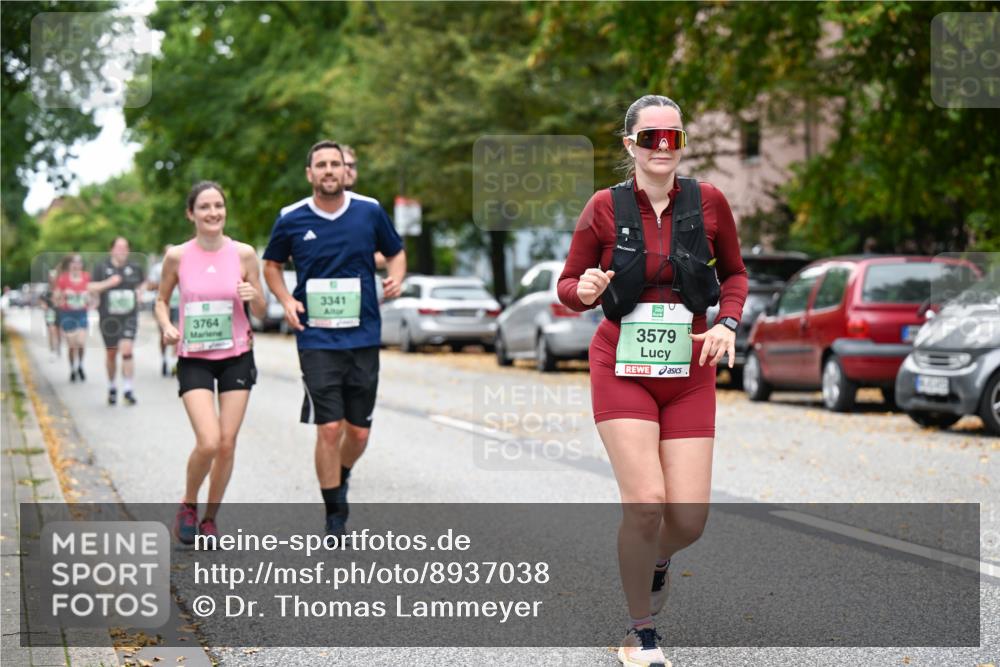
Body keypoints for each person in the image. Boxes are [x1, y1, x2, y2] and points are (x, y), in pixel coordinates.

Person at [557, 95, 747, 667]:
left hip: (689, 369)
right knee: (646, 503)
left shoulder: (709, 201)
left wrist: (727, 323)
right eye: (650, 137)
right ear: (630, 144)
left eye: (673, 137)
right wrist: (583, 292)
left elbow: (735, 274)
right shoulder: (603, 207)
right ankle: (640, 633)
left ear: (682, 143)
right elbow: (568, 286)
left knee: (687, 519)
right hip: (621, 366)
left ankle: (656, 559)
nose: (662, 147)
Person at [263, 140, 405, 536]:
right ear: (310, 173)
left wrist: (396, 278)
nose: (329, 170)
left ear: (346, 171)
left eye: (335, 164)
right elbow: (271, 264)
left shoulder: (369, 211)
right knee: (328, 427)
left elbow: (395, 251)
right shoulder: (291, 217)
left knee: (358, 432)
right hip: (316, 338)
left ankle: (340, 474)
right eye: (321, 165)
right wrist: (286, 299)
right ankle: (334, 514)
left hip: (363, 336)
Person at [155, 181, 266, 544]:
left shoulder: (244, 254)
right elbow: (161, 300)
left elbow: (261, 311)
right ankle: (188, 503)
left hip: (237, 355)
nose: (213, 212)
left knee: (227, 443)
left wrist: (253, 295)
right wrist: (167, 325)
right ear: (191, 214)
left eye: (218, 205)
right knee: (209, 441)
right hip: (195, 359)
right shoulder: (177, 256)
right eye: (204, 207)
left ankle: (209, 519)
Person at [90, 237, 145, 405]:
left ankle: (128, 389)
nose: (122, 250)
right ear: (111, 250)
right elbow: (90, 287)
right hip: (108, 317)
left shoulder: (135, 267)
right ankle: (112, 386)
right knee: (111, 353)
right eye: (119, 247)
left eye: (125, 247)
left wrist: (140, 292)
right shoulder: (101, 267)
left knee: (127, 350)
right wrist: (108, 283)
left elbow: (143, 284)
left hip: (129, 316)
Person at [53, 254, 92, 382]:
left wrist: (89, 297)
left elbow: (93, 294)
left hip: (81, 313)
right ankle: (72, 369)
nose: (76, 265)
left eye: (79, 262)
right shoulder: (63, 279)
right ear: (69, 265)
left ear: (82, 265)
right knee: (71, 345)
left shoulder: (86, 277)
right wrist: (62, 295)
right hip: (67, 314)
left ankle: (80, 365)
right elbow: (56, 297)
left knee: (81, 343)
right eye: (73, 262)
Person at [148, 244, 181, 376]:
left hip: (178, 304)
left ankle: (174, 362)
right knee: (164, 334)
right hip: (163, 304)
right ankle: (164, 359)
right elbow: (150, 286)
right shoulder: (157, 268)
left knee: (177, 332)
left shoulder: (182, 264)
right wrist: (167, 284)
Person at [41, 270, 62, 360]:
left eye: (54, 277)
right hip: (50, 312)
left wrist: (59, 302)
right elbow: (41, 300)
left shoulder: (60, 288)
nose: (52, 279)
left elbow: (64, 299)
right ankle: (52, 351)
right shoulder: (46, 289)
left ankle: (58, 347)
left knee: (58, 332)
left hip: (59, 311)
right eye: (51, 277)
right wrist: (43, 305)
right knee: (51, 331)